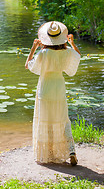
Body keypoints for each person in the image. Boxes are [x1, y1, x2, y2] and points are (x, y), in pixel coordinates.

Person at [25, 21, 81, 166]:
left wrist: (33, 48)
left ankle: (49, 153)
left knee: (46, 119)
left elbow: (28, 65)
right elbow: (78, 56)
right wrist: (72, 43)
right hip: (59, 87)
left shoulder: (43, 53)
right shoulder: (67, 51)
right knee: (63, 119)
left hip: (45, 88)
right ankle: (71, 151)